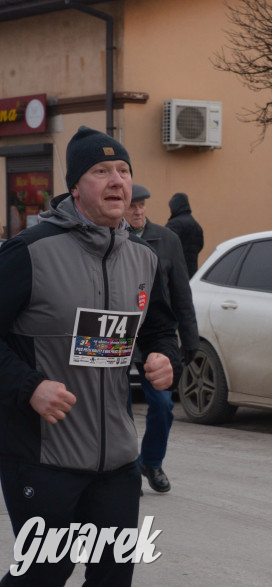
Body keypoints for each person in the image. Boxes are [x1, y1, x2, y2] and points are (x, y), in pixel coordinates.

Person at [0, 126, 182, 585]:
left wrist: (164, 358)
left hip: (118, 462)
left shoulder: (143, 258)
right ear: (76, 187)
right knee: (45, 574)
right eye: (101, 171)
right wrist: (30, 386)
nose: (117, 180)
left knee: (113, 578)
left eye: (123, 170)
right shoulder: (29, 253)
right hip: (43, 458)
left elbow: (160, 328)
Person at [126, 184, 200, 494]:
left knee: (162, 403)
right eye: (133, 205)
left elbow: (182, 293)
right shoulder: (109, 240)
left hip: (157, 335)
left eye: (142, 205)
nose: (138, 210)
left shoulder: (167, 240)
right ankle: (125, 467)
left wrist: (190, 339)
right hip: (118, 334)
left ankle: (151, 461)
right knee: (118, 407)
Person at [165, 192, 204, 278]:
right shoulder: (196, 225)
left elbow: (166, 244)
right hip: (193, 272)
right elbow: (200, 246)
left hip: (176, 272)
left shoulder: (175, 224)